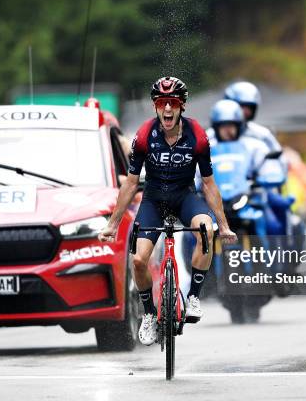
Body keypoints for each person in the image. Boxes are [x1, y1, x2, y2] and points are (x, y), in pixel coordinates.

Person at [98, 77, 237, 345]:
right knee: (138, 261)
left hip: (185, 197)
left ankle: (194, 296)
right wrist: (113, 224)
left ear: (182, 105)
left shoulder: (197, 136)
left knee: (206, 230)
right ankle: (150, 314)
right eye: (163, 103)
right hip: (153, 200)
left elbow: (208, 184)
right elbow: (130, 182)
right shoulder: (143, 135)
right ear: (156, 106)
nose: (168, 109)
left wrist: (224, 224)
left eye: (173, 103)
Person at [223, 81, 283, 154]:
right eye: (241, 107)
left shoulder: (263, 135)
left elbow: (278, 160)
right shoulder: (211, 137)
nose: (245, 112)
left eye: (249, 107)